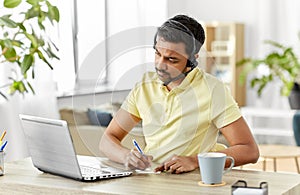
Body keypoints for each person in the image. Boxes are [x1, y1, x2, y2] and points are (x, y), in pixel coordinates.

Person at [99, 14, 259, 174]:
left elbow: (249, 150)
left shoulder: (212, 89)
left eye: (172, 59)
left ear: (192, 60)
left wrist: (195, 160)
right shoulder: (144, 86)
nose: (160, 65)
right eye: (157, 54)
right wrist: (126, 156)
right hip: (150, 181)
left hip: (190, 183)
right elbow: (107, 140)